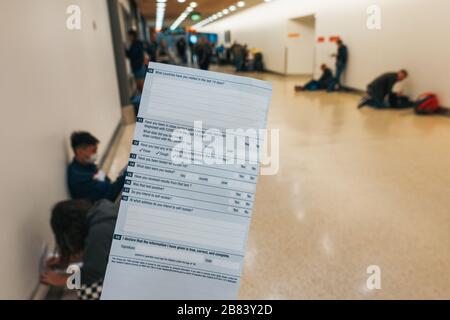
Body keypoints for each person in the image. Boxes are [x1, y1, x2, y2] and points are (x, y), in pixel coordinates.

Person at [40, 199, 118, 300]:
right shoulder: (102, 208)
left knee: (86, 292)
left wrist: (59, 279)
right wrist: (68, 260)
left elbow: (93, 272)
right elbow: (102, 250)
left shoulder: (99, 232)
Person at [67, 132, 125, 202]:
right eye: (93, 151)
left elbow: (106, 180)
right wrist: (126, 175)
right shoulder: (81, 179)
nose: (96, 154)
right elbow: (112, 193)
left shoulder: (87, 165)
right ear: (80, 152)